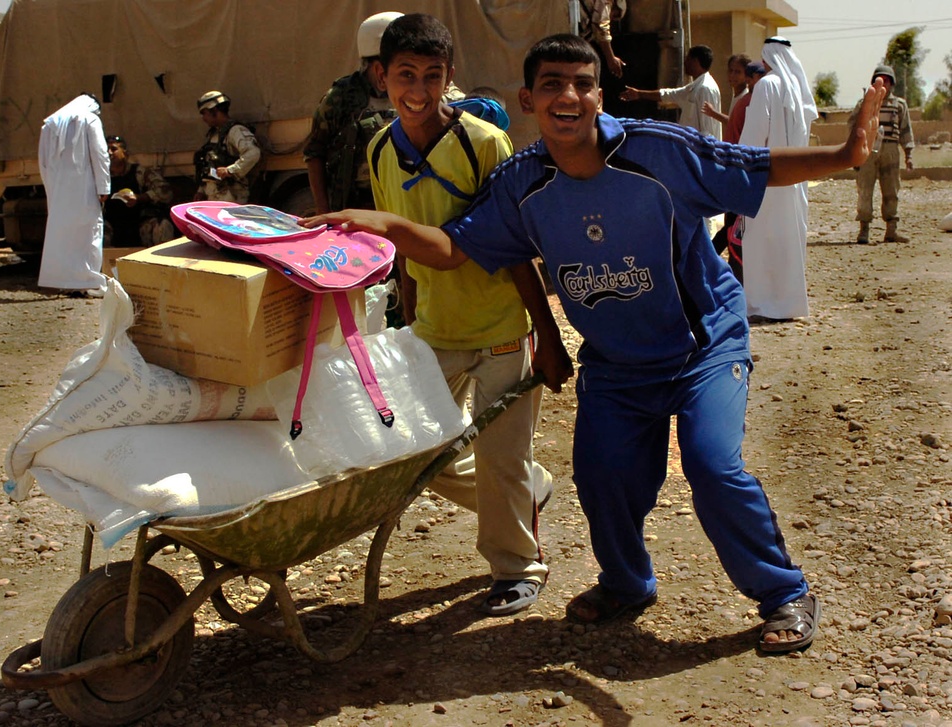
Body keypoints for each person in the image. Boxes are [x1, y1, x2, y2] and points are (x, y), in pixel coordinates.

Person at [303, 33, 886, 653]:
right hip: (616, 362)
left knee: (713, 465)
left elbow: (760, 168)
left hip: (702, 347)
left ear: (599, 96)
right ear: (528, 99)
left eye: (582, 83)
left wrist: (847, 152)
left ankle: (784, 593)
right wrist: (379, 225)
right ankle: (627, 583)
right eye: (552, 84)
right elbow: (454, 251)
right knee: (600, 473)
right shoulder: (521, 184)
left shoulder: (659, 153)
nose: (568, 95)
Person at [367, 13, 555, 616]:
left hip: (502, 327)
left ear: (450, 77)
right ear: (381, 77)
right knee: (416, 454)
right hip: (433, 331)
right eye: (404, 76)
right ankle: (527, 488)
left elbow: (517, 242)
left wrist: (545, 334)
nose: (418, 91)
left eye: (431, 75)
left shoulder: (483, 142)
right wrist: (408, 322)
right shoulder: (379, 150)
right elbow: (401, 250)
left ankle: (517, 567)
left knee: (503, 457)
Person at [738, 37, 818, 322]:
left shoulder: (767, 85)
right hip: (796, 176)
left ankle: (762, 305)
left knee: (761, 238)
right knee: (788, 238)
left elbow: (754, 135)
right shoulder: (798, 87)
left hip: (767, 175)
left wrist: (740, 166)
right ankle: (788, 303)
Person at [303, 11, 404, 215]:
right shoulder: (340, 98)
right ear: (377, 67)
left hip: (401, 207)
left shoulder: (413, 94)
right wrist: (324, 212)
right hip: (355, 209)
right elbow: (314, 154)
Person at [37, 93, 110, 298]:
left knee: (63, 237)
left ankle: (67, 282)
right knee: (90, 234)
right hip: (84, 188)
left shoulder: (50, 125)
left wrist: (50, 188)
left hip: (59, 191)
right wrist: (103, 187)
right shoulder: (90, 119)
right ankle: (90, 282)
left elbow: (42, 162)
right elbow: (100, 154)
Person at [710, 60, 766, 281]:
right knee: (736, 228)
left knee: (733, 226)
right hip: (742, 172)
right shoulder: (751, 104)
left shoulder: (744, 102)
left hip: (735, 170)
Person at [850, 64, 914, 244]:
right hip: (868, 150)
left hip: (891, 150)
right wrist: (853, 151)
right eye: (879, 80)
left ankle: (891, 230)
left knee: (891, 189)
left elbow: (905, 130)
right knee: (865, 189)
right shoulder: (865, 103)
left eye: (886, 80)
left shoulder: (899, 105)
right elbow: (854, 127)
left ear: (892, 84)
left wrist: (909, 154)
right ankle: (864, 230)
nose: (883, 84)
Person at [621, 45, 722, 139]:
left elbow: (708, 132)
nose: (685, 62)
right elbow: (669, 94)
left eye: (687, 59)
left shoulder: (705, 88)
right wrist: (639, 94)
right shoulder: (693, 87)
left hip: (700, 154)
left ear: (695, 61)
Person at [103, 135, 176, 247]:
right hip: (111, 224)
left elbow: (165, 191)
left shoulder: (139, 172)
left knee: (162, 225)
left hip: (139, 222)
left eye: (114, 149)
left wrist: (140, 198)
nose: (109, 153)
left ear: (125, 153)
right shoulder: (100, 176)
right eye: (105, 150)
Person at [193, 90, 261, 203]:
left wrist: (230, 170)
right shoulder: (214, 134)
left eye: (204, 113)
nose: (203, 118)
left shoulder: (235, 131)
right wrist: (201, 190)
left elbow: (253, 153)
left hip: (232, 197)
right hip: (215, 197)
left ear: (214, 110)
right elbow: (210, 166)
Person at [701, 54, 751, 142]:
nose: (732, 75)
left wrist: (713, 113)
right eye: (730, 71)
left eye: (737, 72)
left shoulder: (745, 98)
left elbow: (735, 123)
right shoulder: (736, 94)